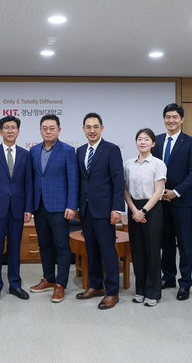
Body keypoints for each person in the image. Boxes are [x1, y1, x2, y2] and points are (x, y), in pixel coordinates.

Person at [152, 103, 192, 301]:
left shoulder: (191, 142)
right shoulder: (156, 140)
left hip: (181, 202)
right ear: (164, 119)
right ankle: (169, 277)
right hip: (160, 202)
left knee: (184, 244)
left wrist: (177, 192)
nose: (170, 120)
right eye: (167, 117)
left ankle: (185, 283)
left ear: (182, 119)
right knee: (166, 243)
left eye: (174, 117)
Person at [75, 113, 124, 310]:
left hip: (105, 210)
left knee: (108, 251)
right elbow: (80, 181)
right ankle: (95, 285)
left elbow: (118, 180)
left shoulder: (111, 150)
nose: (92, 130)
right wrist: (79, 206)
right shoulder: (79, 151)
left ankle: (112, 292)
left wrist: (117, 208)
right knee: (91, 250)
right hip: (86, 210)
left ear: (102, 128)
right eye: (88, 127)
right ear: (83, 129)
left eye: (95, 126)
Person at [0, 115, 33, 303]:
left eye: (13, 127)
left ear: (18, 131)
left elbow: (29, 183)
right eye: (6, 127)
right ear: (0, 131)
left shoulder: (25, 154)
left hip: (18, 209)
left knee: (14, 249)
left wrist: (28, 208)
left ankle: (15, 285)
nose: (10, 130)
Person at [29, 114, 79, 303]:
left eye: (52, 128)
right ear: (40, 130)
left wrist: (72, 205)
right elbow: (33, 179)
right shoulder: (33, 151)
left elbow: (73, 179)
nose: (48, 131)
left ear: (59, 130)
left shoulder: (67, 150)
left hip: (60, 206)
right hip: (39, 206)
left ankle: (60, 284)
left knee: (62, 246)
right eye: (44, 128)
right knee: (44, 244)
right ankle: (48, 278)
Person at [124, 128, 166, 307]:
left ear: (153, 143)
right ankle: (140, 290)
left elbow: (158, 192)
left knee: (152, 252)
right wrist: (134, 210)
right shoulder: (128, 164)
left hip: (152, 209)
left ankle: (153, 292)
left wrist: (144, 211)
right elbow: (125, 191)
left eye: (147, 139)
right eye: (139, 139)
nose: (143, 142)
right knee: (137, 251)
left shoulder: (158, 164)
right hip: (134, 209)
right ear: (136, 142)